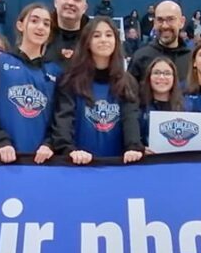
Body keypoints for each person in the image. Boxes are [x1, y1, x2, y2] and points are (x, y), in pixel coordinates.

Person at [0, 3, 62, 163]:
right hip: (1, 160)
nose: (40, 27)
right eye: (34, 20)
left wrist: (49, 144)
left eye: (46, 23)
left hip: (42, 162)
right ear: (20, 25)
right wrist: (0, 141)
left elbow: (59, 118)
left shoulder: (55, 72)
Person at [51, 17, 143, 164]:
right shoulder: (70, 80)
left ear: (116, 41)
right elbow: (64, 119)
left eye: (108, 35)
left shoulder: (128, 82)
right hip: (78, 165)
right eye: (96, 35)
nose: (103, 40)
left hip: (116, 166)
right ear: (87, 42)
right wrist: (68, 150)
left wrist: (133, 147)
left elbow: (130, 119)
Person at [128, 0, 191, 83]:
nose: (165, 26)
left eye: (170, 19)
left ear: (181, 22)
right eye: (160, 20)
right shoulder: (140, 58)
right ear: (154, 23)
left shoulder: (192, 59)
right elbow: (128, 93)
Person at [138, 57, 185, 148]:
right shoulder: (138, 106)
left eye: (167, 73)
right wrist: (140, 148)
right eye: (156, 73)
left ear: (174, 78)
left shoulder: (186, 107)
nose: (161, 77)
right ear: (149, 77)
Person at [44, 0, 89, 67]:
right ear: (56, 2)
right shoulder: (41, 35)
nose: (71, 3)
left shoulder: (92, 39)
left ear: (84, 8)